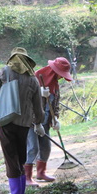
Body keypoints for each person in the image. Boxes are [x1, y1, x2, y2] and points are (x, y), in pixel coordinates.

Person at [0, 47, 45, 194]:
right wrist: (39, 123)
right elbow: (38, 106)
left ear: (13, 58)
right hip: (24, 123)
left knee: (10, 157)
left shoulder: (5, 72)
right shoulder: (32, 78)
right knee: (21, 156)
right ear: (27, 61)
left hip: (6, 120)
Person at [24, 57, 73, 185]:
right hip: (31, 122)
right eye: (60, 74)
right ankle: (26, 177)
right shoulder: (35, 79)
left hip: (45, 122)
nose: (61, 77)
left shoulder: (55, 84)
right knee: (33, 148)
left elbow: (55, 103)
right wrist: (38, 93)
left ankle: (41, 173)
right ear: (53, 71)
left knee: (46, 147)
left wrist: (55, 118)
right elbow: (26, 102)